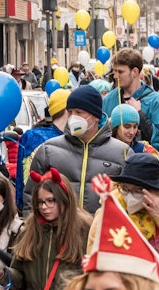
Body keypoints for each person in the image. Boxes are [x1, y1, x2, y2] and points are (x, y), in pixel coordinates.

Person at [0, 167, 91, 290]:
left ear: (64, 199)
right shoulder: (29, 231)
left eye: (51, 201)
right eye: (40, 202)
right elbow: (19, 280)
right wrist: (3, 275)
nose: (45, 207)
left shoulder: (85, 231)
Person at [26, 85, 132, 214]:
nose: (73, 117)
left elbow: (131, 199)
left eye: (79, 112)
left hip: (101, 231)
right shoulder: (49, 150)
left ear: (96, 116)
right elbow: (31, 196)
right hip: (60, 231)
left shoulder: (122, 152)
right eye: (70, 112)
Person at [91, 154, 159, 276]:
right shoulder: (108, 211)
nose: (130, 196)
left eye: (138, 191)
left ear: (155, 190)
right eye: (125, 189)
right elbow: (94, 261)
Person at [15, 87, 69, 206]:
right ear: (67, 109)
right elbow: (23, 174)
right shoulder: (33, 136)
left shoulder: (74, 138)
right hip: (39, 205)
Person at [104, 49, 159, 151]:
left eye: (120, 72)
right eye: (114, 71)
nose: (115, 76)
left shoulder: (155, 100)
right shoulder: (109, 99)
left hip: (141, 162)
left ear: (135, 72)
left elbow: (158, 141)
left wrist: (140, 115)